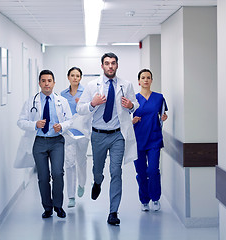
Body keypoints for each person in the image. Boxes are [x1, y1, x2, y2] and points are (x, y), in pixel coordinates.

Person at [77, 52, 139, 225]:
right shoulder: (92, 86)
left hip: (118, 134)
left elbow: (135, 104)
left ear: (117, 65)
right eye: (107, 63)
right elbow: (80, 109)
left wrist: (131, 105)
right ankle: (97, 182)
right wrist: (93, 103)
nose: (110, 66)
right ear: (102, 66)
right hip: (98, 135)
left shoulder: (126, 85)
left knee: (116, 171)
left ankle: (113, 212)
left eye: (113, 63)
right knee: (98, 169)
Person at [16, 70, 72, 218]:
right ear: (39, 83)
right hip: (39, 142)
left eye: (49, 80)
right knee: (43, 177)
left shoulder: (62, 101)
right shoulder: (30, 102)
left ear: (54, 83)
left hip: (56, 142)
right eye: (43, 80)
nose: (46, 83)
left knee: (58, 173)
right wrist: (35, 124)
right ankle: (47, 207)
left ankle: (58, 206)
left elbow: (70, 120)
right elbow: (20, 121)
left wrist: (62, 126)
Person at [132, 69, 168, 212]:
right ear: (139, 81)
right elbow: (124, 119)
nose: (146, 80)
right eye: (143, 77)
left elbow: (162, 114)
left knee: (152, 170)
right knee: (141, 172)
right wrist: (132, 121)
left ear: (151, 80)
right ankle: (144, 200)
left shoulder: (159, 98)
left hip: (154, 138)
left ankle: (155, 198)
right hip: (137, 139)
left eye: (148, 77)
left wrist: (164, 117)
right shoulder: (133, 99)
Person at [60, 67, 90, 208]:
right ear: (68, 77)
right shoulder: (62, 94)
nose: (75, 78)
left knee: (81, 161)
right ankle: (71, 196)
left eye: (78, 75)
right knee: (69, 163)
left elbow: (91, 111)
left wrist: (81, 104)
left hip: (82, 132)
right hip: (68, 133)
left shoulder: (86, 93)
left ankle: (82, 184)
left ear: (80, 77)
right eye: (72, 75)